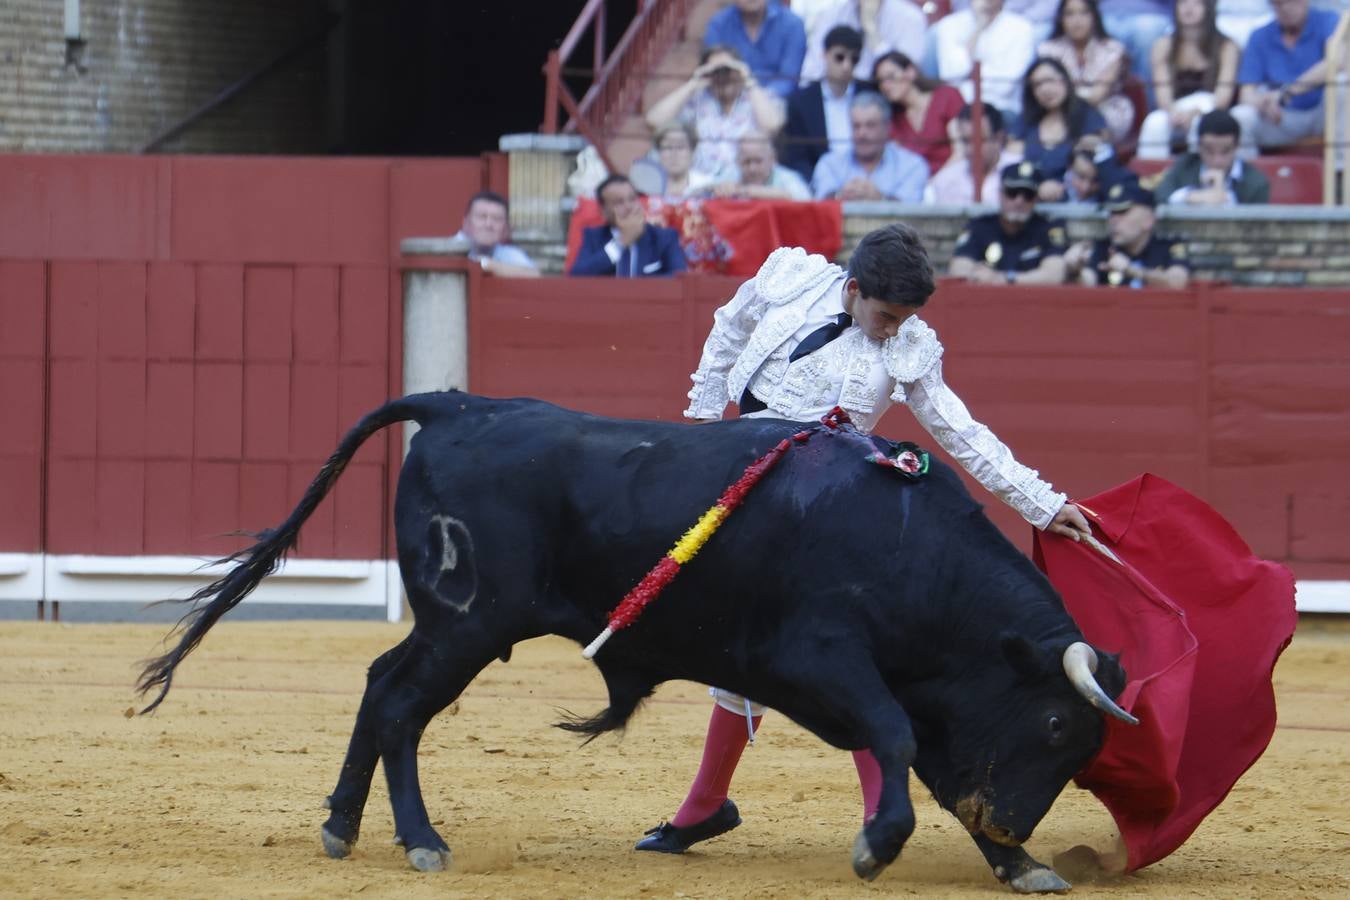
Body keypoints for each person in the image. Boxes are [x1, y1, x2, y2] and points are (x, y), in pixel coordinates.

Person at [636, 223, 1094, 854]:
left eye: (903, 319)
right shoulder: (789, 278)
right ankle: (720, 805)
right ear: (852, 289)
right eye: (884, 316)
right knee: (748, 652)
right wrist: (703, 425)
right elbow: (728, 326)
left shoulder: (908, 347)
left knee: (837, 657)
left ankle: (840, 810)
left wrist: (1041, 504)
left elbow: (962, 432)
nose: (892, 330)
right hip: (746, 502)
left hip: (829, 524)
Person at [646, 46, 787, 181]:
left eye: (728, 69)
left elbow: (772, 126)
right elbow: (655, 121)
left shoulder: (758, 96)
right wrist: (693, 83)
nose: (724, 76)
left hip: (747, 181)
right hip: (700, 181)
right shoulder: (696, 100)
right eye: (716, 70)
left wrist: (748, 79)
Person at [1230, 0, 1341, 155]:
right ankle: (1249, 177)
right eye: (1279, 3)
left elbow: (1338, 61)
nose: (1286, 8)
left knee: (1343, 85)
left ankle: (1341, 172)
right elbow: (1246, 94)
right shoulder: (1260, 36)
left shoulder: (1329, 21)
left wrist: (1288, 91)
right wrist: (1262, 102)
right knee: (1241, 116)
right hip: (1280, 117)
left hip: (1322, 113)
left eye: (1292, 1)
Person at [1137, 0, 1240, 160]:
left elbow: (1223, 96)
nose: (1188, 8)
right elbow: (1162, 93)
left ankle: (1198, 174)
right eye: (1183, 3)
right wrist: (1173, 112)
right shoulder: (1163, 45)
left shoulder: (1226, 46)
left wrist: (1195, 112)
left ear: (1208, 8)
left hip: (1211, 107)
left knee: (1201, 123)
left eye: (1196, 3)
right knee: (1154, 122)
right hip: (1176, 108)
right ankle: (1152, 179)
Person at [949, 162, 1069, 284]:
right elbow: (959, 270)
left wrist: (1003, 278)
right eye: (1012, 193)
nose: (1019, 201)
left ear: (1036, 199)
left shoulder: (1048, 228)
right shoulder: (979, 227)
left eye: (1028, 195)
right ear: (1000, 194)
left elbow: (1054, 274)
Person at [1010, 56, 1110, 201]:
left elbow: (1095, 152)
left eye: (1050, 80)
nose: (1045, 89)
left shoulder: (1087, 115)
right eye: (1037, 85)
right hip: (1030, 198)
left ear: (1065, 80)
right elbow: (1012, 157)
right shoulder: (1026, 121)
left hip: (1076, 200)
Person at [1036, 0, 1135, 144]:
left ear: (1094, 16)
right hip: (1057, 111)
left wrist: (1063, 92)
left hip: (1104, 110)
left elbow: (1097, 95)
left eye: (1084, 13)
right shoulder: (1048, 50)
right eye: (1070, 14)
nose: (1077, 21)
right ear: (1061, 18)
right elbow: (1044, 91)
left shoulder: (1113, 49)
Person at [1065, 180, 1189, 288]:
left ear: (1148, 220)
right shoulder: (1105, 247)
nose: (1113, 220)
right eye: (1112, 213)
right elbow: (1088, 280)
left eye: (1122, 212)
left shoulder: (1168, 247)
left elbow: (1177, 282)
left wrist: (1132, 271)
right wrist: (1075, 270)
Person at [784, 25, 869, 180]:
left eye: (854, 59)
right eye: (839, 57)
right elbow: (796, 157)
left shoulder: (869, 94)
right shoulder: (801, 102)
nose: (846, 66)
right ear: (824, 54)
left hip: (867, 180)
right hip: (819, 185)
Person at [811, 91, 930, 200]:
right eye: (856, 126)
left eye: (870, 125)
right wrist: (840, 196)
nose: (861, 133)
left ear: (887, 127)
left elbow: (911, 212)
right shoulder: (829, 164)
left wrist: (880, 199)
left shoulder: (912, 165)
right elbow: (821, 205)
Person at [929, 0, 1037, 116]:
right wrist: (978, 30)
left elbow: (1006, 84)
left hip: (1001, 106)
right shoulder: (949, 25)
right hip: (958, 106)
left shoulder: (1022, 28)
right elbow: (950, 73)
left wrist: (969, 76)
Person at [569, 175, 688, 277]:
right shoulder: (593, 237)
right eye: (619, 202)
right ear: (603, 212)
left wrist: (637, 291)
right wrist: (620, 243)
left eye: (632, 199)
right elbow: (576, 277)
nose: (629, 206)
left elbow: (679, 280)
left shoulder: (664, 238)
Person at [872, 51, 966, 171]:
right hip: (914, 186)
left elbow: (961, 152)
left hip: (953, 178)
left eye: (891, 76)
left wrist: (934, 184)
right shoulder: (892, 121)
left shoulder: (947, 97)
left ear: (911, 72)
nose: (885, 85)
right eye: (881, 81)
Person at [1153, 109, 1271, 205]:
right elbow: (1160, 196)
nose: (1217, 160)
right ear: (1199, 146)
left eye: (1225, 152)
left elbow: (1255, 227)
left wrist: (1225, 200)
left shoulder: (1257, 182)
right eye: (1209, 151)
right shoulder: (1185, 165)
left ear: (1237, 147)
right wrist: (1192, 196)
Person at [799, 0, 928, 84]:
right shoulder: (832, 14)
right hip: (838, 98)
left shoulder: (910, 18)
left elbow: (902, 80)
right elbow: (810, 73)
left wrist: (870, 27)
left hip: (886, 105)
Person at [703, 0, 808, 99]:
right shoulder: (718, 25)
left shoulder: (793, 25)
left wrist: (760, 100)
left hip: (779, 103)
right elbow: (716, 73)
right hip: (731, 103)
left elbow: (789, 79)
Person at [924, 102, 1021, 203]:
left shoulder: (1019, 171)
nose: (971, 149)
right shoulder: (946, 181)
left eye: (979, 141)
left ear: (998, 138)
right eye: (966, 141)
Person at [452, 191, 539, 278]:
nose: (489, 224)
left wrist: (486, 264)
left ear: (506, 228)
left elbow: (533, 274)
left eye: (497, 219)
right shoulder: (452, 249)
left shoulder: (504, 252)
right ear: (466, 223)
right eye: (482, 217)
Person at [709, 132, 814, 200]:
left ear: (772, 160)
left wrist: (744, 191)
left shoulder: (787, 178)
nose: (752, 168)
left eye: (758, 161)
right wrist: (719, 191)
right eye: (746, 162)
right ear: (737, 161)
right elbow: (708, 198)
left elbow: (803, 201)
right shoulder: (730, 175)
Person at [651, 121, 717, 199]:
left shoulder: (707, 185)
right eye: (667, 148)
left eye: (680, 147)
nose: (674, 154)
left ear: (692, 152)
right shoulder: (648, 187)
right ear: (659, 153)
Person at [1064, 136, 1130, 203]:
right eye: (1081, 177)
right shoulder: (1055, 181)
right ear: (1069, 168)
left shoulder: (1106, 194)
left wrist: (1104, 150)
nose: (1086, 188)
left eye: (1096, 180)